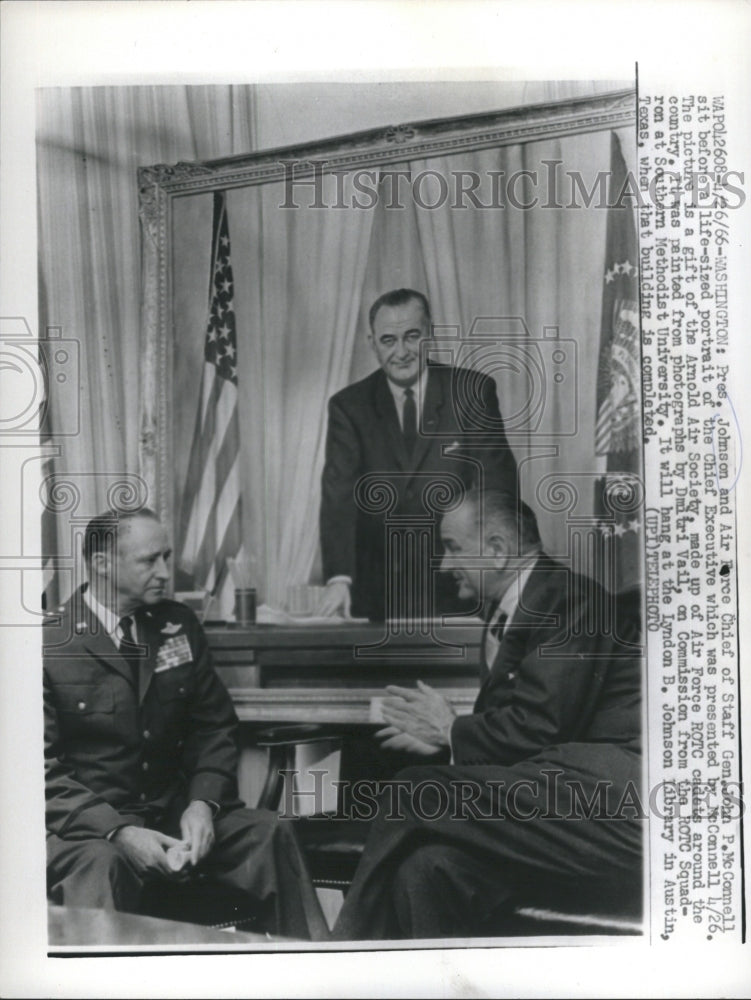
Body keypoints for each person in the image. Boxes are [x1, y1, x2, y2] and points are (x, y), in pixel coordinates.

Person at [331, 489, 643, 940]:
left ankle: (339, 965)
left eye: (453, 547)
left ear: (497, 550)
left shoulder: (569, 600)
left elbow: (541, 727)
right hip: (564, 806)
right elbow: (522, 735)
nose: (443, 564)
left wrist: (452, 732)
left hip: (617, 806)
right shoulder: (510, 616)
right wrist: (452, 740)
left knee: (415, 791)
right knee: (428, 869)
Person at [44, 507, 327, 940]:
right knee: (101, 865)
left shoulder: (177, 625)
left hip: (174, 815)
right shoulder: (47, 644)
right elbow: (36, 772)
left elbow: (213, 727)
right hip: (89, 831)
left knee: (269, 833)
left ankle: (316, 978)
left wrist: (203, 805)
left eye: (166, 556)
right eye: (148, 560)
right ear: (102, 563)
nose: (164, 571)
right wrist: (118, 831)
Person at [318, 288, 517, 622]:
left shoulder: (471, 393)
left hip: (461, 589)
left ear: (431, 334)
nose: (401, 352)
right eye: (388, 340)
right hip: (376, 598)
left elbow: (497, 488)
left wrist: (491, 573)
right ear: (372, 343)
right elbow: (339, 497)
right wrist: (339, 578)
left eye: (412, 337)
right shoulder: (348, 407)